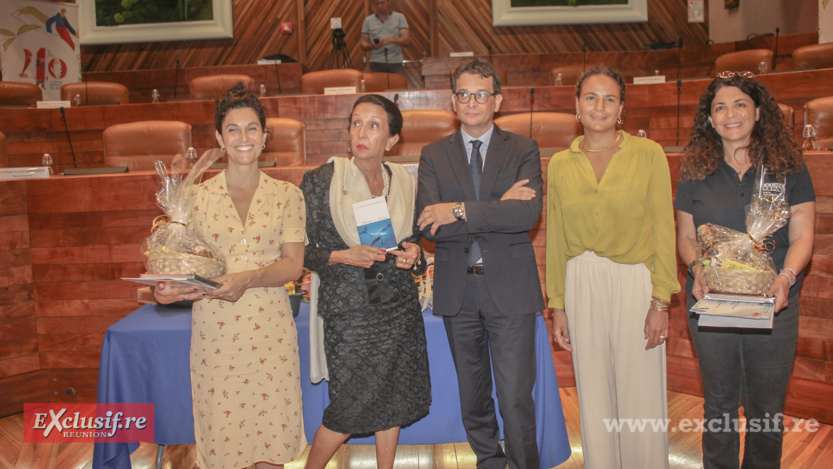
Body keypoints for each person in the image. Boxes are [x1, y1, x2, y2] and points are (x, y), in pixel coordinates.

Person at [153, 83, 307, 469]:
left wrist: (248, 278)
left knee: (271, 442)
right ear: (219, 137)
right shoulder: (193, 197)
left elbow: (293, 265)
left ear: (265, 136)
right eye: (233, 129)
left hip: (271, 332)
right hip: (216, 336)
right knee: (224, 443)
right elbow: (183, 268)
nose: (243, 137)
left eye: (252, 128)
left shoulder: (288, 194)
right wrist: (169, 290)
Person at [675, 72, 815, 468]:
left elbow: (804, 234)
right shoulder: (694, 169)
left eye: (739, 104)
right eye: (719, 107)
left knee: (766, 410)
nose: (730, 114)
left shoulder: (788, 167)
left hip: (775, 302)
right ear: (709, 118)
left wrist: (785, 279)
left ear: (757, 111)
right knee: (718, 405)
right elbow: (685, 237)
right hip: (711, 301)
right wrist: (697, 268)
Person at [547, 66, 680, 468]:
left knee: (640, 390)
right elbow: (555, 239)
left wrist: (661, 301)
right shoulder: (559, 163)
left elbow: (663, 229)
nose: (599, 106)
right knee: (593, 390)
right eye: (590, 97)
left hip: (634, 281)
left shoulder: (649, 154)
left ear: (622, 107)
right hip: (580, 281)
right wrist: (557, 304)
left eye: (609, 98)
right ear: (576, 105)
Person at [416, 58, 543, 469]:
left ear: (498, 100)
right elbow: (428, 227)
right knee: (473, 396)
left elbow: (524, 217)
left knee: (515, 397)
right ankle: (489, 461)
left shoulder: (523, 148)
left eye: (482, 94)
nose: (473, 102)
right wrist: (493, 210)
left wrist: (454, 210)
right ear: (453, 102)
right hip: (458, 291)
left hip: (510, 290)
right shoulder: (433, 154)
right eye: (465, 94)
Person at [300, 94, 430, 469]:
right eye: (356, 123)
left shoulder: (404, 181)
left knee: (392, 399)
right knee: (349, 407)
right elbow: (300, 252)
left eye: (373, 126)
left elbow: (413, 241)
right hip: (351, 314)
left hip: (398, 309)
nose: (361, 132)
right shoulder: (323, 180)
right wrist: (343, 255)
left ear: (391, 140)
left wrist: (413, 254)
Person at [360, 0, 410, 76]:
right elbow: (363, 43)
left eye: (382, 3)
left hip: (395, 62)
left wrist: (391, 40)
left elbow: (406, 41)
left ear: (389, 2)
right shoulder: (368, 20)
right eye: (377, 3)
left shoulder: (400, 18)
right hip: (376, 63)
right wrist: (371, 46)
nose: (380, 6)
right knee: (377, 87)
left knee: (398, 87)